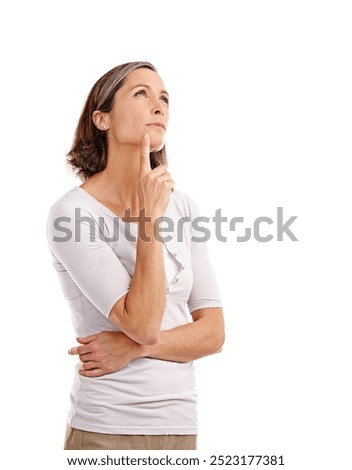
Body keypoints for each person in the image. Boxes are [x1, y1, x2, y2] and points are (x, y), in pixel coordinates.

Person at [46, 61, 225, 451]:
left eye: (164, 98)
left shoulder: (184, 207)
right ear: (102, 119)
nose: (159, 106)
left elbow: (213, 333)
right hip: (106, 427)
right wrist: (148, 221)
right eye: (141, 94)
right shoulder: (72, 215)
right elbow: (141, 323)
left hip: (179, 425)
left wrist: (136, 347)